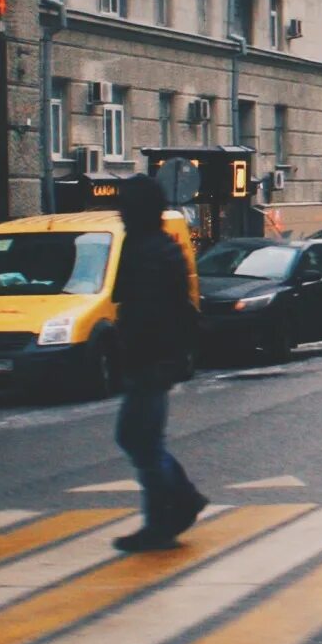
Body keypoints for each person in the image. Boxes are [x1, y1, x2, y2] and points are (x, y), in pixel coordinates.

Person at [108, 175, 208, 551]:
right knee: (142, 438)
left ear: (138, 209)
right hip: (155, 358)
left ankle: (168, 513)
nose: (119, 211)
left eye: (124, 204)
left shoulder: (148, 249)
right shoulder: (155, 245)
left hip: (150, 360)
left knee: (139, 438)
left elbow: (148, 312)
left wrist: (139, 356)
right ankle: (177, 503)